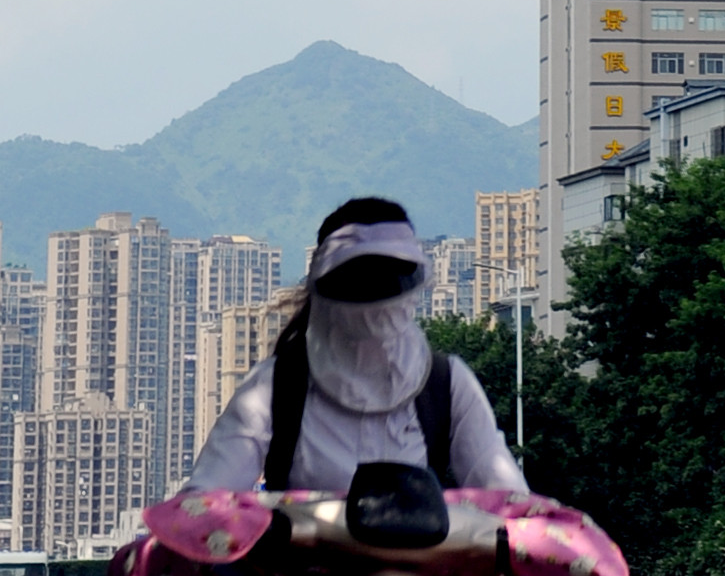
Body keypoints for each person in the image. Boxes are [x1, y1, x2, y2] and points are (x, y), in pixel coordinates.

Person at [186, 195, 526, 499]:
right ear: (326, 286)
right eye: (361, 278)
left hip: (416, 568)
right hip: (302, 568)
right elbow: (206, 496)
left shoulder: (446, 383)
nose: (376, 294)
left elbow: (508, 495)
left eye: (392, 277)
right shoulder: (277, 385)